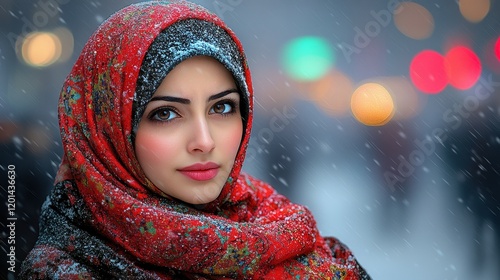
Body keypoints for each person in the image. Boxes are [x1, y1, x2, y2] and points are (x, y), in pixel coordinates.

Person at [20, 1, 370, 279]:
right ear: (107, 130)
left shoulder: (290, 237)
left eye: (222, 107)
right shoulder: (64, 268)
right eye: (166, 114)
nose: (204, 141)